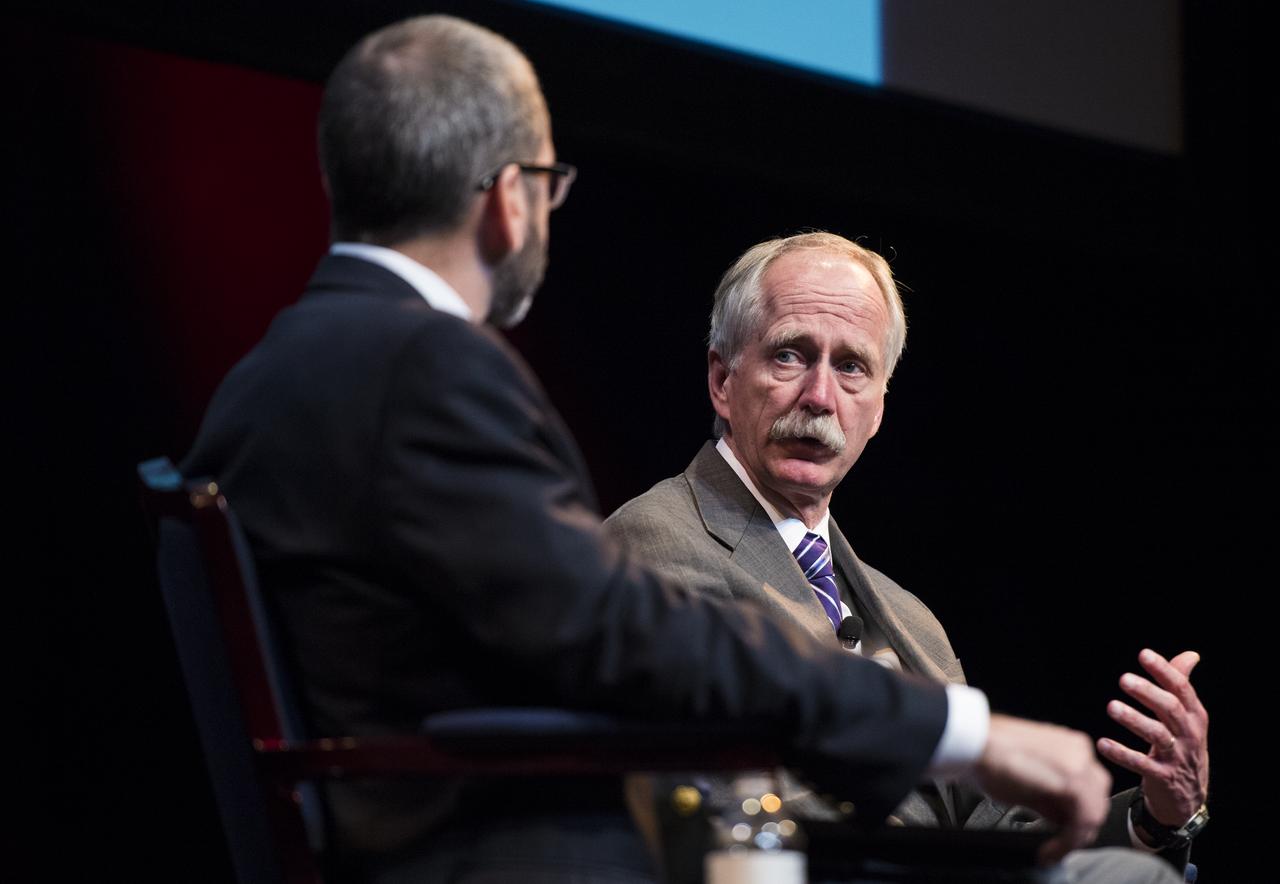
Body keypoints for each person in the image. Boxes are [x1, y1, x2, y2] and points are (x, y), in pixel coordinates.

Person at [181, 16, 1121, 883]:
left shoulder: (267, 374)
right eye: (550, 187)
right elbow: (620, 632)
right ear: (512, 199)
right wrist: (950, 728)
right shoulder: (426, 369)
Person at [603, 232, 1208, 881]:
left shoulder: (907, 616)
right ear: (723, 381)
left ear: (880, 410)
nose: (820, 396)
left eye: (852, 367)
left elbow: (997, 829)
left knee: (1134, 873)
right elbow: (714, 797)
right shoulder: (656, 542)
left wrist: (1153, 818)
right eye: (790, 355)